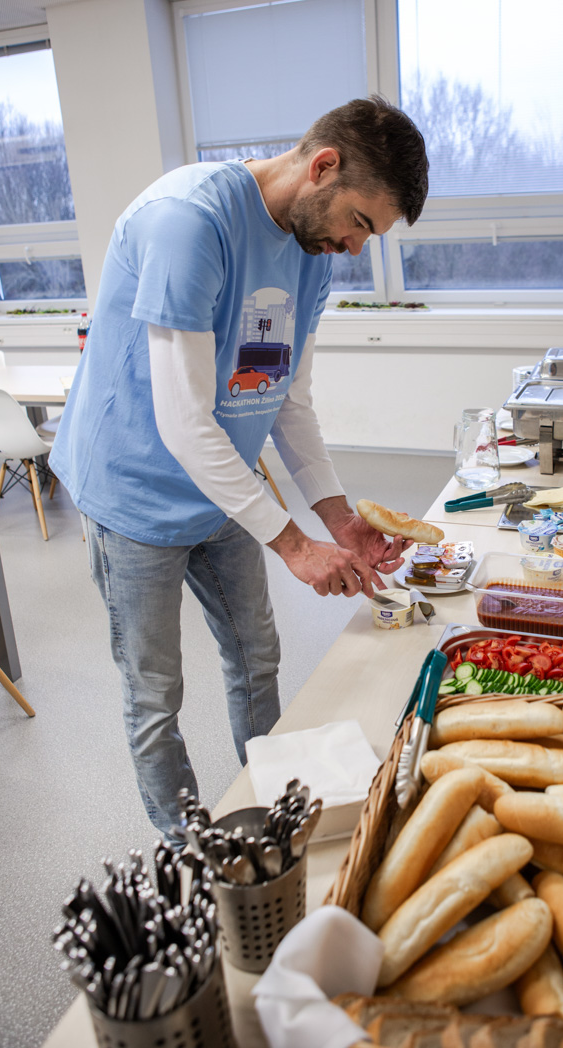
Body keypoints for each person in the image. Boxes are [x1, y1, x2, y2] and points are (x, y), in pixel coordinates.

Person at [49, 95, 429, 840]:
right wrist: (292, 543)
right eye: (360, 221)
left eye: (370, 235)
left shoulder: (313, 252)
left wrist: (338, 519)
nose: (356, 247)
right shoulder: (189, 224)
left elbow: (288, 400)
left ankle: (275, 813)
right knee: (155, 693)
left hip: (225, 489)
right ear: (323, 166)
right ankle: (191, 851)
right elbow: (184, 422)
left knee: (257, 656)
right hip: (133, 495)